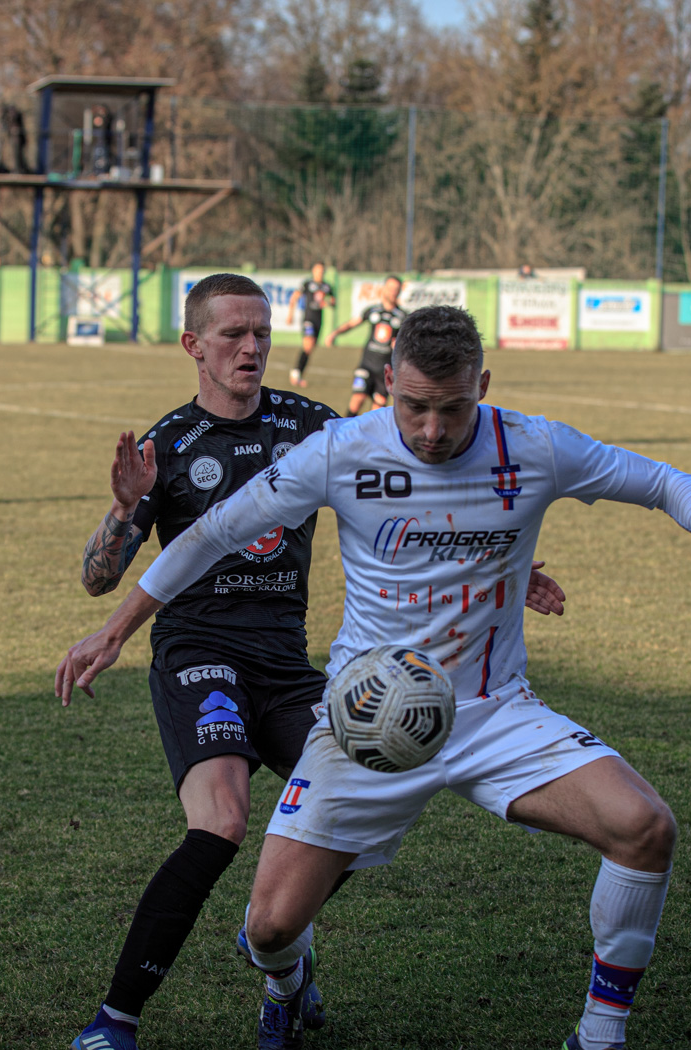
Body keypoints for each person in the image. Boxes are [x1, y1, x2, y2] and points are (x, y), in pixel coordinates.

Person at [56, 305, 691, 1050]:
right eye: (414, 407)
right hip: (365, 719)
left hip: (493, 711)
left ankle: (600, 1035)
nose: (433, 430)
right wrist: (116, 630)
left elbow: (663, 481)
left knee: (645, 827)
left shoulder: (533, 446)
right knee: (270, 929)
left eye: (452, 408)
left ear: (483, 386)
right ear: (387, 386)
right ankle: (285, 980)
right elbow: (214, 532)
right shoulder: (341, 450)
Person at [65, 279, 568, 1050]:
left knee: (363, 805)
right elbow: (97, 578)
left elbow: (409, 488)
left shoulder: (312, 425)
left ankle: (279, 966)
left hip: (285, 660)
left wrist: (505, 563)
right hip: (199, 651)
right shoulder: (168, 444)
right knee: (222, 821)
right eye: (232, 334)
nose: (251, 347)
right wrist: (124, 510)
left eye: (261, 333)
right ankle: (115, 1021)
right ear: (193, 346)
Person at [324, 275, 405, 417]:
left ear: (399, 292)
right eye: (390, 288)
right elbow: (352, 323)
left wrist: (399, 346)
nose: (393, 292)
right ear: (384, 289)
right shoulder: (373, 311)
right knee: (357, 400)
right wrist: (335, 333)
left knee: (377, 413)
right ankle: (345, 428)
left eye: (396, 289)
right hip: (366, 366)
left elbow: (409, 342)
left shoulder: (402, 316)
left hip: (385, 371)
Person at [285, 263, 336, 388]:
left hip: (319, 321)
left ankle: (298, 374)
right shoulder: (307, 284)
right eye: (317, 271)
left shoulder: (326, 286)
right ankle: (296, 373)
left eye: (321, 271)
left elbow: (333, 301)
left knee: (310, 348)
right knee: (308, 345)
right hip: (308, 319)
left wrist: (327, 302)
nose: (319, 273)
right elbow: (294, 297)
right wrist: (290, 314)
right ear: (313, 271)